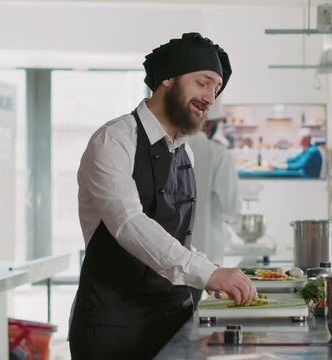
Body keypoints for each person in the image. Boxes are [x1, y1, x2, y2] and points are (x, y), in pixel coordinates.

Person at [69, 33, 257, 360]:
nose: (210, 97)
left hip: (172, 318)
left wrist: (208, 267)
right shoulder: (113, 141)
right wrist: (206, 273)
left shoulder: (185, 153)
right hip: (113, 325)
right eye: (204, 82)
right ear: (168, 78)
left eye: (216, 88)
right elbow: (129, 223)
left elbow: (173, 236)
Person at [186, 98, 241, 305]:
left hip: (170, 254)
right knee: (199, 313)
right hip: (206, 254)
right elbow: (230, 208)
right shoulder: (217, 154)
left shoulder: (171, 146)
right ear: (209, 124)